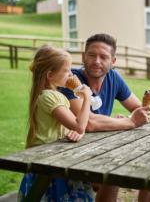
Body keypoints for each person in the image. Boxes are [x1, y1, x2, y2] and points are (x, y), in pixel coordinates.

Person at [60, 33, 150, 201]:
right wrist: (128, 122)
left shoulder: (113, 77)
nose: (96, 61)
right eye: (92, 55)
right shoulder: (70, 80)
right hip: (67, 152)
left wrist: (127, 118)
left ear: (113, 62)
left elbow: (139, 109)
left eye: (103, 57)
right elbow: (88, 123)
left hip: (101, 148)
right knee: (114, 174)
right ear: (83, 57)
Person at [18, 45, 94, 201]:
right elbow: (80, 125)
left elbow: (76, 128)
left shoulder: (51, 95)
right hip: (48, 165)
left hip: (53, 158)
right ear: (50, 75)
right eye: (66, 70)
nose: (71, 74)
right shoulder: (50, 97)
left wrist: (74, 133)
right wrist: (86, 97)